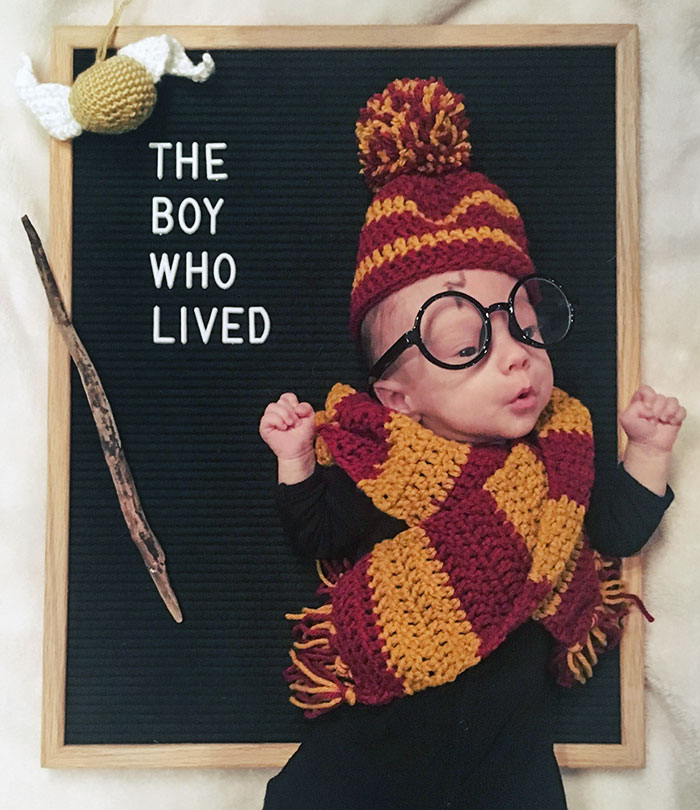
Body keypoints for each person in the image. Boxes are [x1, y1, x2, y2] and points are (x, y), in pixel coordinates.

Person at [258, 77, 686, 810]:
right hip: (381, 729)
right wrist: (297, 460)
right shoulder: (384, 462)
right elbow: (323, 537)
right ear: (398, 397)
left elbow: (615, 527)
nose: (515, 354)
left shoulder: (564, 457)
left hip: (508, 750)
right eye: (465, 343)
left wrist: (646, 449)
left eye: (524, 322)